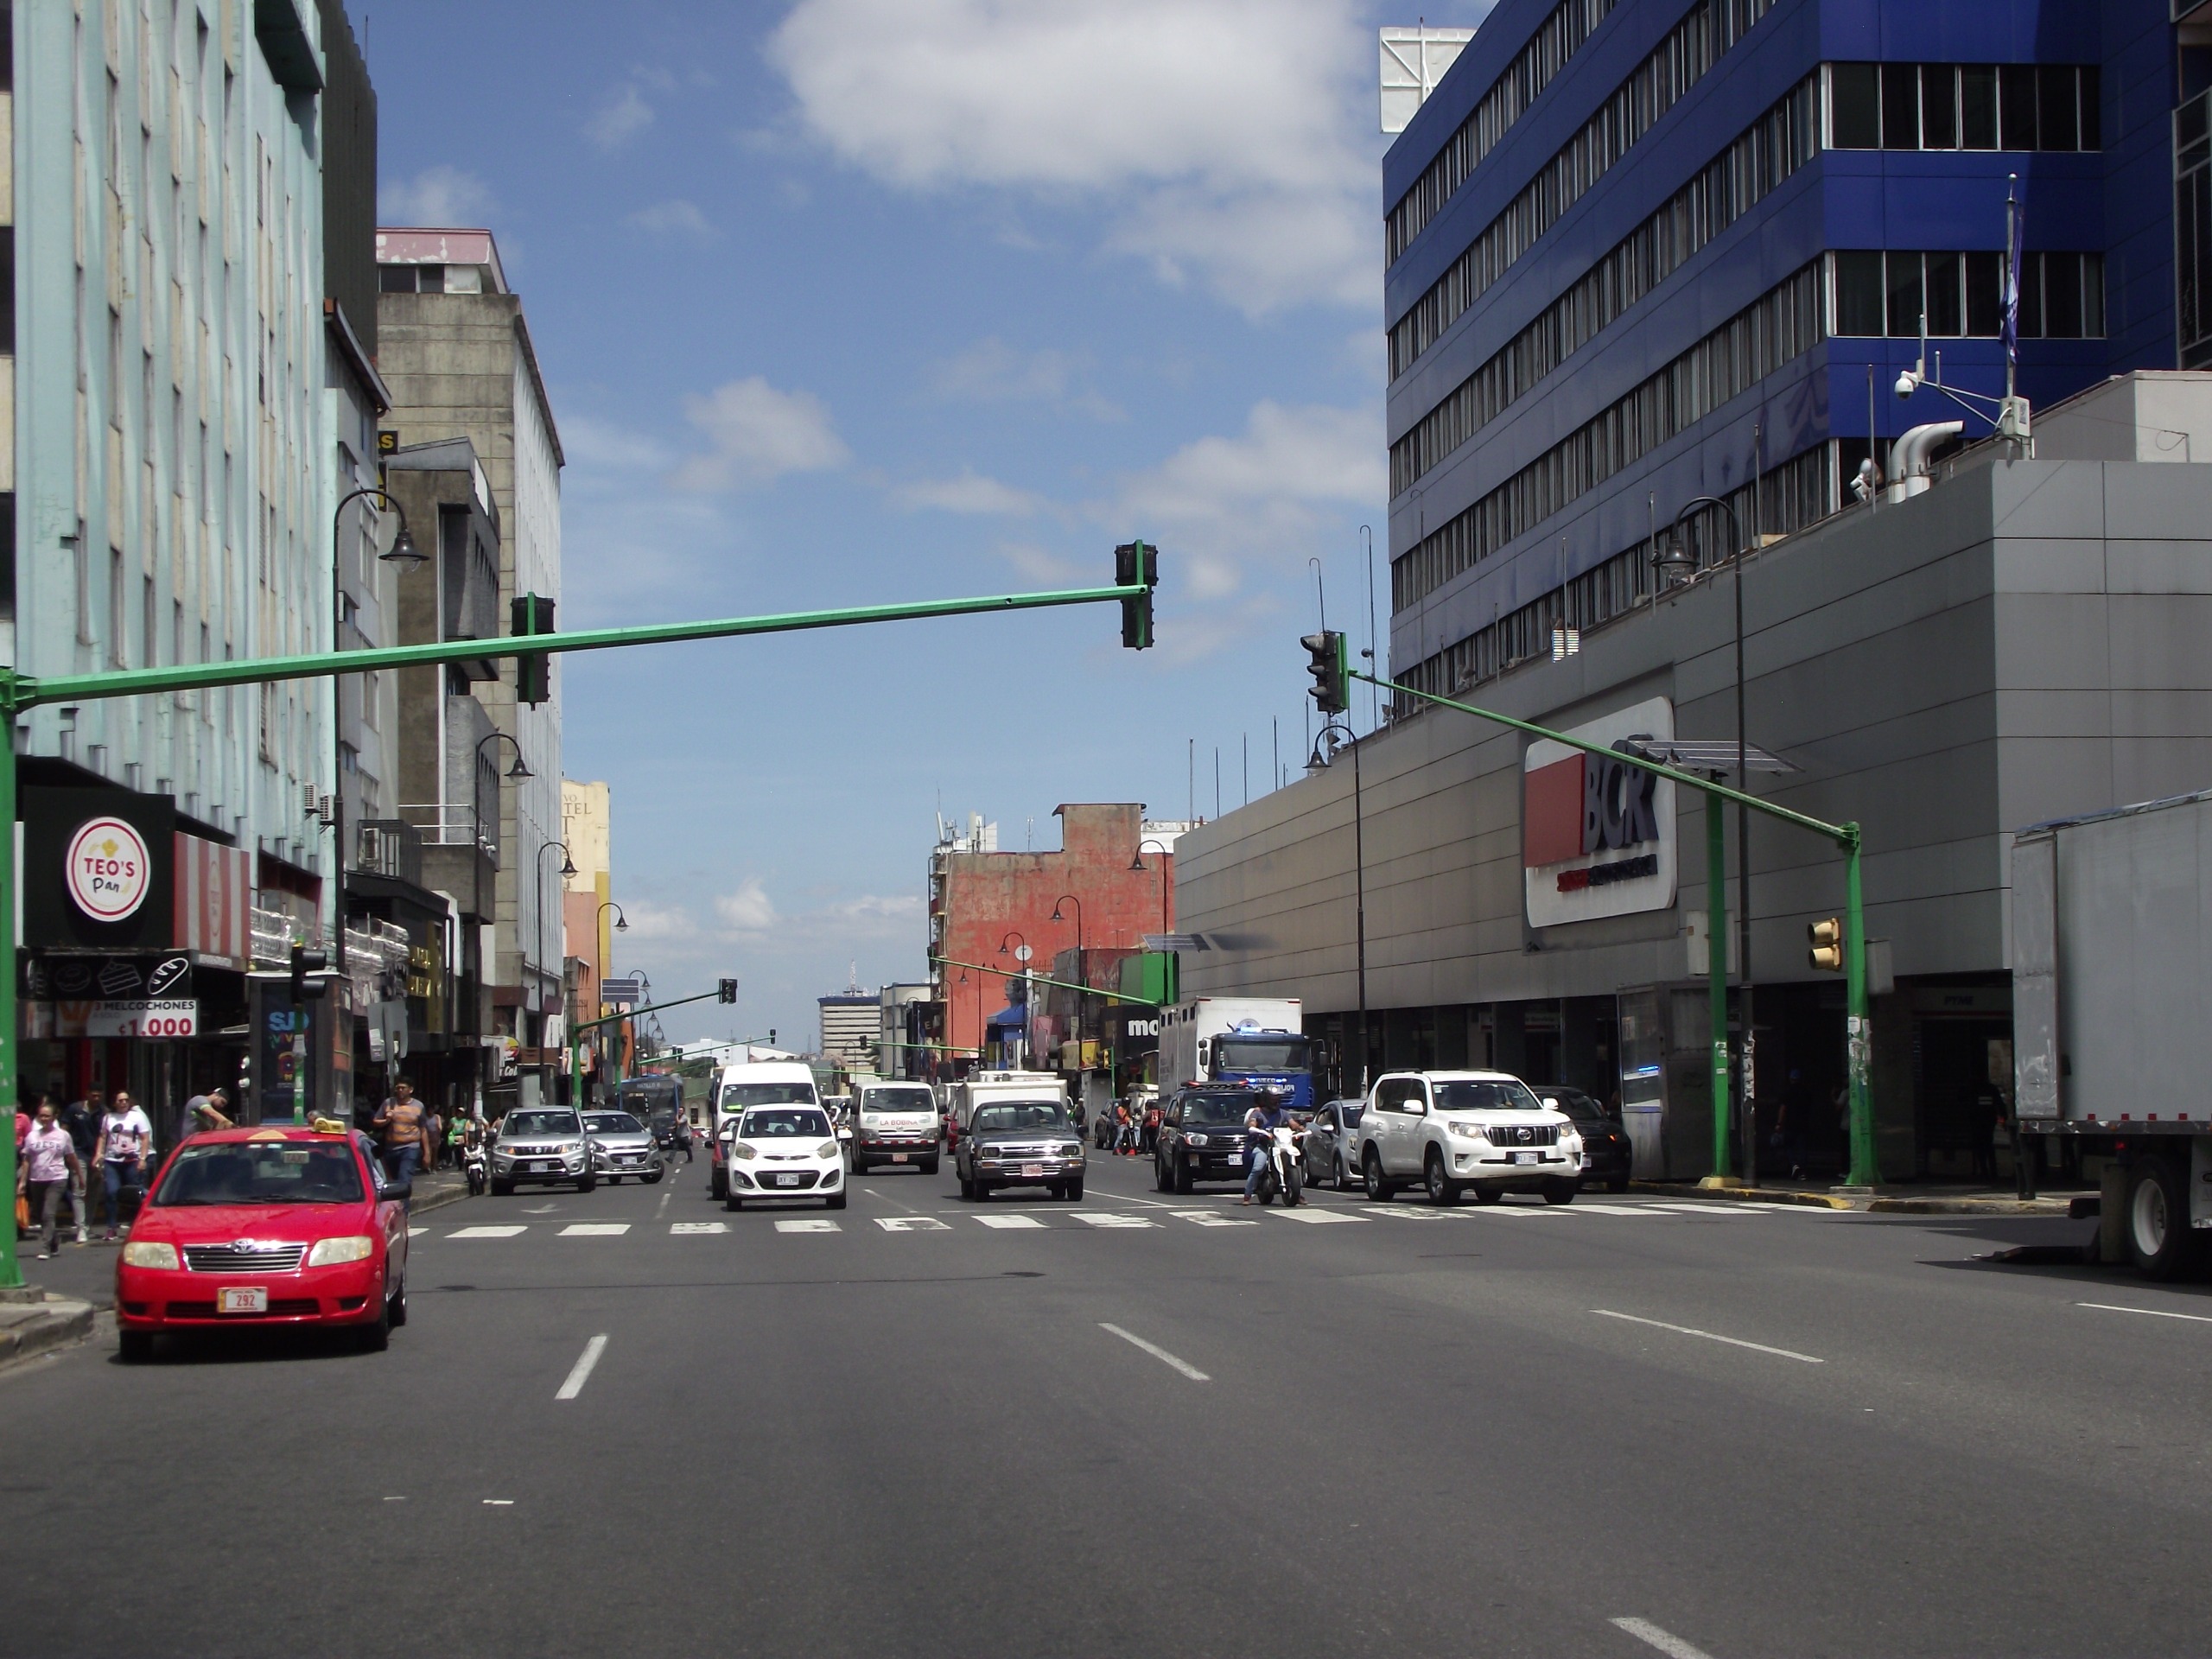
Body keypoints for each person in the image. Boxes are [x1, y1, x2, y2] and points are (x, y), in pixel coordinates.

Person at [17, 1099, 81, 1259]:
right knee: (39, 1214)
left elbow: (71, 1157)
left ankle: (45, 1248)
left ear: (54, 1117)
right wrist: (23, 1182)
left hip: (57, 1178)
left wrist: (79, 1176)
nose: (44, 1119)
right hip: (37, 1179)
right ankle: (54, 1240)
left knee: (48, 1214)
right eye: (41, 1116)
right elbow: (27, 1160)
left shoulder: (63, 1136)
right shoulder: (32, 1136)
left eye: (47, 1116)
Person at [92, 1090, 154, 1242]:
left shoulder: (137, 1117)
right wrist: (98, 1154)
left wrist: (142, 1159)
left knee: (135, 1193)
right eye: (120, 1100)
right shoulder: (108, 1118)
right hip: (112, 1161)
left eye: (126, 1100)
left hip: (132, 1160)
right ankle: (111, 1227)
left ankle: (140, 1225)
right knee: (111, 1192)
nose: (123, 1103)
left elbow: (145, 1138)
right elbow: (103, 1137)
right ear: (115, 1103)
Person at [371, 1078, 432, 1188]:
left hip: (410, 1148)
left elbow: (423, 1129)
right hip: (391, 1149)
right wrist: (386, 1120)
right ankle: (396, 1205)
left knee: (404, 1179)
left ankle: (404, 1205)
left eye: (403, 1088)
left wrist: (427, 1153)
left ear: (410, 1090)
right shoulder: (389, 1103)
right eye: (398, 1088)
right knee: (391, 1183)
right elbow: (375, 1121)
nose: (400, 1090)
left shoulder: (418, 1106)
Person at [58, 1092, 99, 1243]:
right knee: (79, 1190)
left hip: (97, 1156)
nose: (96, 1099)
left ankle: (88, 1224)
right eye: (93, 1095)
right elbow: (64, 1130)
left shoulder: (104, 1112)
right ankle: (80, 1227)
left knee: (94, 1191)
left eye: (99, 1096)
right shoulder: (74, 1109)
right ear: (88, 1095)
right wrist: (65, 1153)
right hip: (78, 1154)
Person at [1241, 1087, 1293, 1205]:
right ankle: (1248, 1195)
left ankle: (1296, 1194)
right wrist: (1253, 1127)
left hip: (1279, 1146)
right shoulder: (1257, 1112)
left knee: (1289, 1165)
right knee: (1258, 1168)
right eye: (1272, 1099)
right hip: (1263, 1146)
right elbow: (1252, 1122)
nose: (1276, 1102)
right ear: (1266, 1099)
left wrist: (1301, 1129)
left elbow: (1292, 1123)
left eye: (1278, 1099)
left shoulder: (1283, 1113)